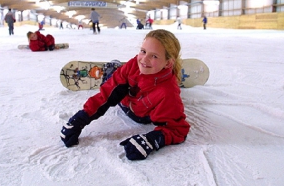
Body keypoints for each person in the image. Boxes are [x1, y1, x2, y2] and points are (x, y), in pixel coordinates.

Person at [60, 29, 190, 160]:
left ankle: (113, 68)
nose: (144, 59)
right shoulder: (134, 64)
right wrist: (80, 118)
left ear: (168, 63)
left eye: (154, 56)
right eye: (143, 51)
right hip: (123, 100)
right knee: (112, 81)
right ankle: (112, 70)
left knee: (116, 78)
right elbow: (107, 94)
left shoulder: (168, 93)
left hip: (141, 115)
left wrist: (151, 140)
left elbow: (178, 129)